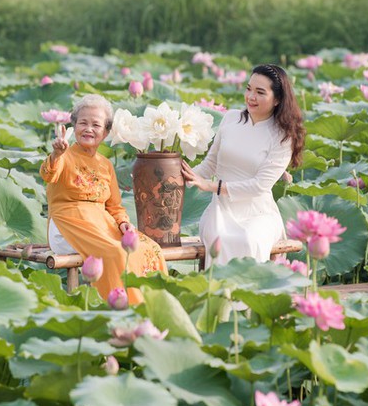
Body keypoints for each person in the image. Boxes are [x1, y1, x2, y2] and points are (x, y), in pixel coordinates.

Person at [40, 94, 167, 304]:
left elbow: (115, 206)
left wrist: (124, 223)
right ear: (74, 126)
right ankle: (121, 307)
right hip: (68, 224)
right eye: (83, 123)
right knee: (116, 253)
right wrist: (55, 154)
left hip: (102, 223)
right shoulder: (64, 156)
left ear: (105, 132)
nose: (89, 129)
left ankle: (152, 307)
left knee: (150, 248)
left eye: (96, 125)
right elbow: (48, 174)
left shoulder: (105, 164)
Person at [181, 64, 305, 267]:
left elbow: (259, 186)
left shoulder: (283, 137)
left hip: (258, 213)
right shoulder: (230, 119)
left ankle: (248, 296)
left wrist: (210, 186)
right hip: (221, 210)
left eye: (260, 92)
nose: (251, 97)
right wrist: (179, 176)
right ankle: (219, 296)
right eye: (249, 89)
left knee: (249, 239)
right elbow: (210, 164)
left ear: (278, 99)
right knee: (220, 237)